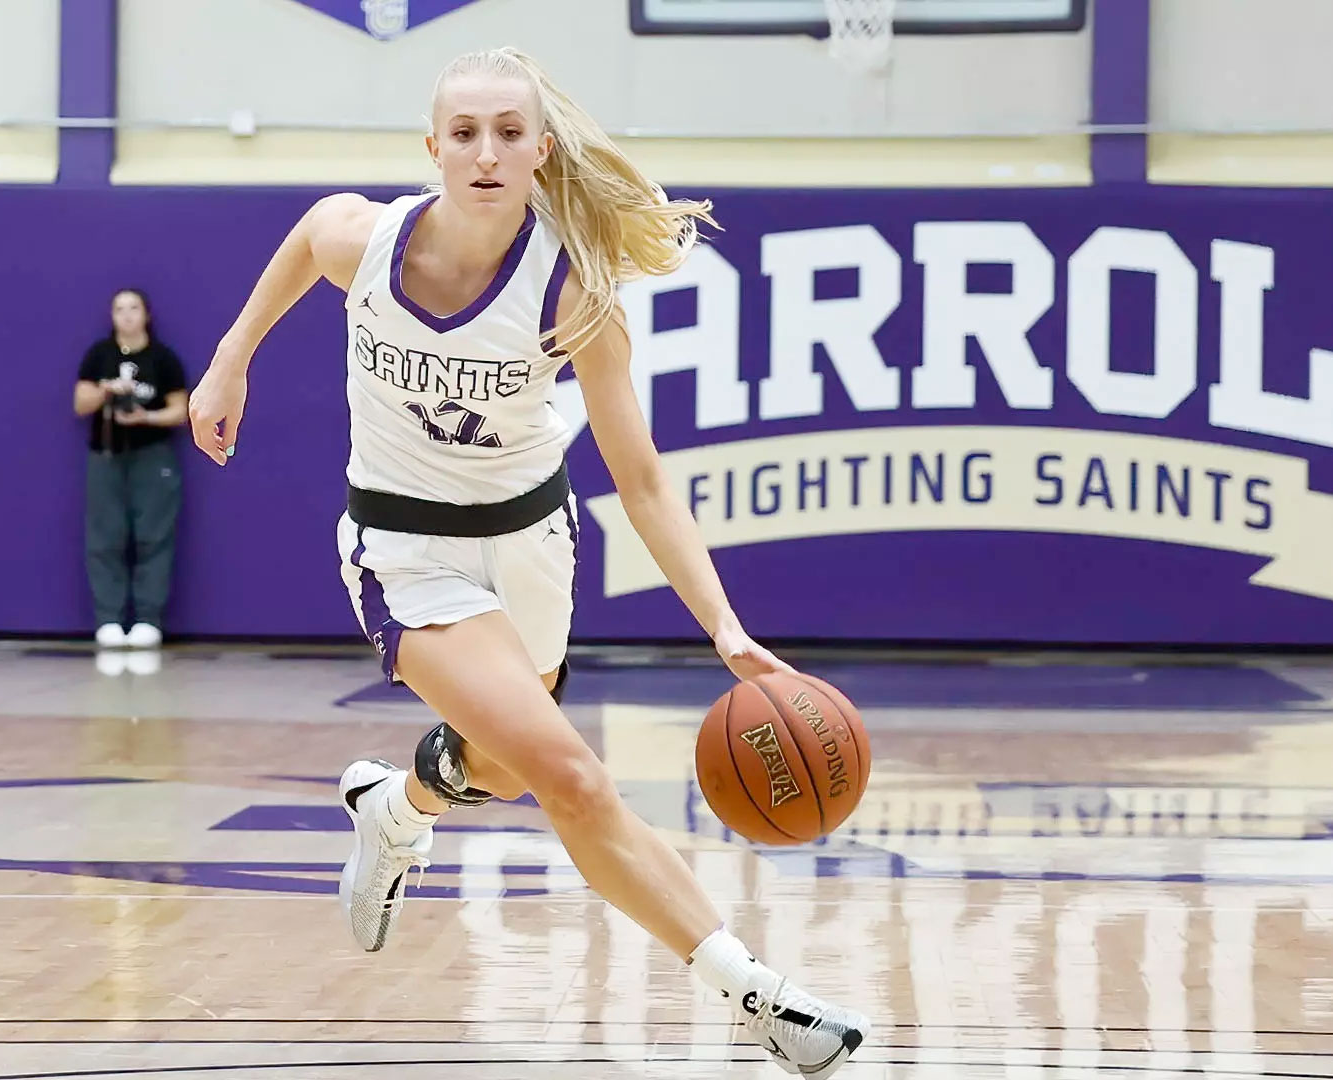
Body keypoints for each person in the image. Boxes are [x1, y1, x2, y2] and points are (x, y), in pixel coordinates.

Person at [187, 47, 867, 1077]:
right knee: (571, 778)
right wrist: (229, 360)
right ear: (432, 146)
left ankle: (396, 808)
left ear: (541, 151)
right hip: (405, 551)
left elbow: (643, 480)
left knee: (502, 770)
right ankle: (762, 999)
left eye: (509, 133)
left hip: (531, 543)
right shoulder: (361, 241)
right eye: (465, 133)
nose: (486, 153)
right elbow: (304, 240)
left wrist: (725, 628)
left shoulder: (572, 291)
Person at [73, 288, 188, 649]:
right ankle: (108, 618)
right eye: (119, 308)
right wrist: (107, 391)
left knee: (154, 535)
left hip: (152, 456)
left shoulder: (162, 358)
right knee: (104, 537)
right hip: (106, 455)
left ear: (146, 314)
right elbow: (80, 403)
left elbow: (181, 410)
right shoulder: (99, 355)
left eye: (133, 307)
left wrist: (145, 417)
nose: (126, 315)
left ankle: (148, 620)